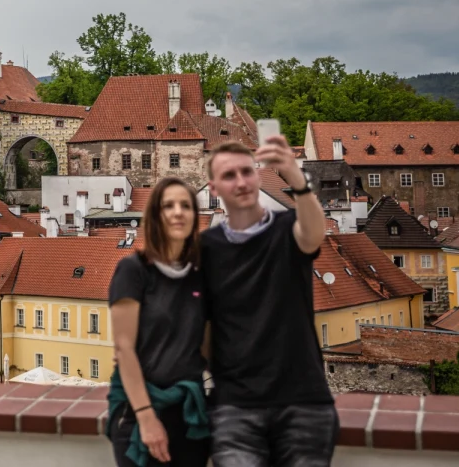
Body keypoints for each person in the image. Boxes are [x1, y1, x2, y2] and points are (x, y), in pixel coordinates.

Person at [201, 138, 338, 467]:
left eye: (247, 172)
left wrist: (296, 179)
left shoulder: (287, 228)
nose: (241, 182)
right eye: (229, 175)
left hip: (302, 400)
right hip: (236, 405)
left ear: (258, 175)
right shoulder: (205, 248)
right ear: (214, 188)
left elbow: (314, 235)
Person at [108, 177, 211, 467]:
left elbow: (206, 347)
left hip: (189, 412)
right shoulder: (133, 271)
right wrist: (146, 417)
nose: (178, 212)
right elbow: (124, 349)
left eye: (186, 206)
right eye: (168, 206)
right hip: (140, 410)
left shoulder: (199, 275)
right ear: (155, 216)